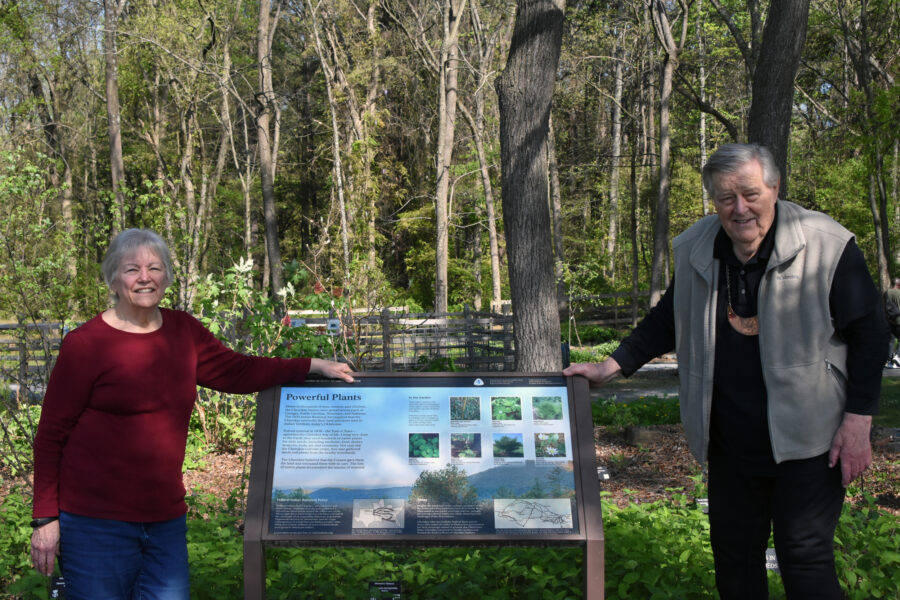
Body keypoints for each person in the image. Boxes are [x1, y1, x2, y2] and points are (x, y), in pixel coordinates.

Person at [564, 143, 887, 599]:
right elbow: (667, 320)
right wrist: (610, 366)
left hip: (809, 440)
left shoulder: (827, 245)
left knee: (806, 559)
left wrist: (858, 422)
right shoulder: (697, 247)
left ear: (775, 188)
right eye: (724, 198)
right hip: (729, 441)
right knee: (735, 565)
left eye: (751, 194)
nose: (739, 209)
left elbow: (871, 335)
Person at [30, 229, 354, 599]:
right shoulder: (86, 345)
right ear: (113, 279)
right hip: (95, 523)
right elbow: (50, 436)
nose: (144, 277)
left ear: (167, 276)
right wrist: (45, 518)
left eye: (154, 268)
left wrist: (311, 364)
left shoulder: (183, 332)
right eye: (132, 269)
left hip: (164, 520)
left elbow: (240, 371)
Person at [884, 278, 900, 367]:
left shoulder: (886, 293)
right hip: (899, 320)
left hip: (889, 321)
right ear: (898, 284)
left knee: (891, 341)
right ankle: (898, 357)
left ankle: (889, 360)